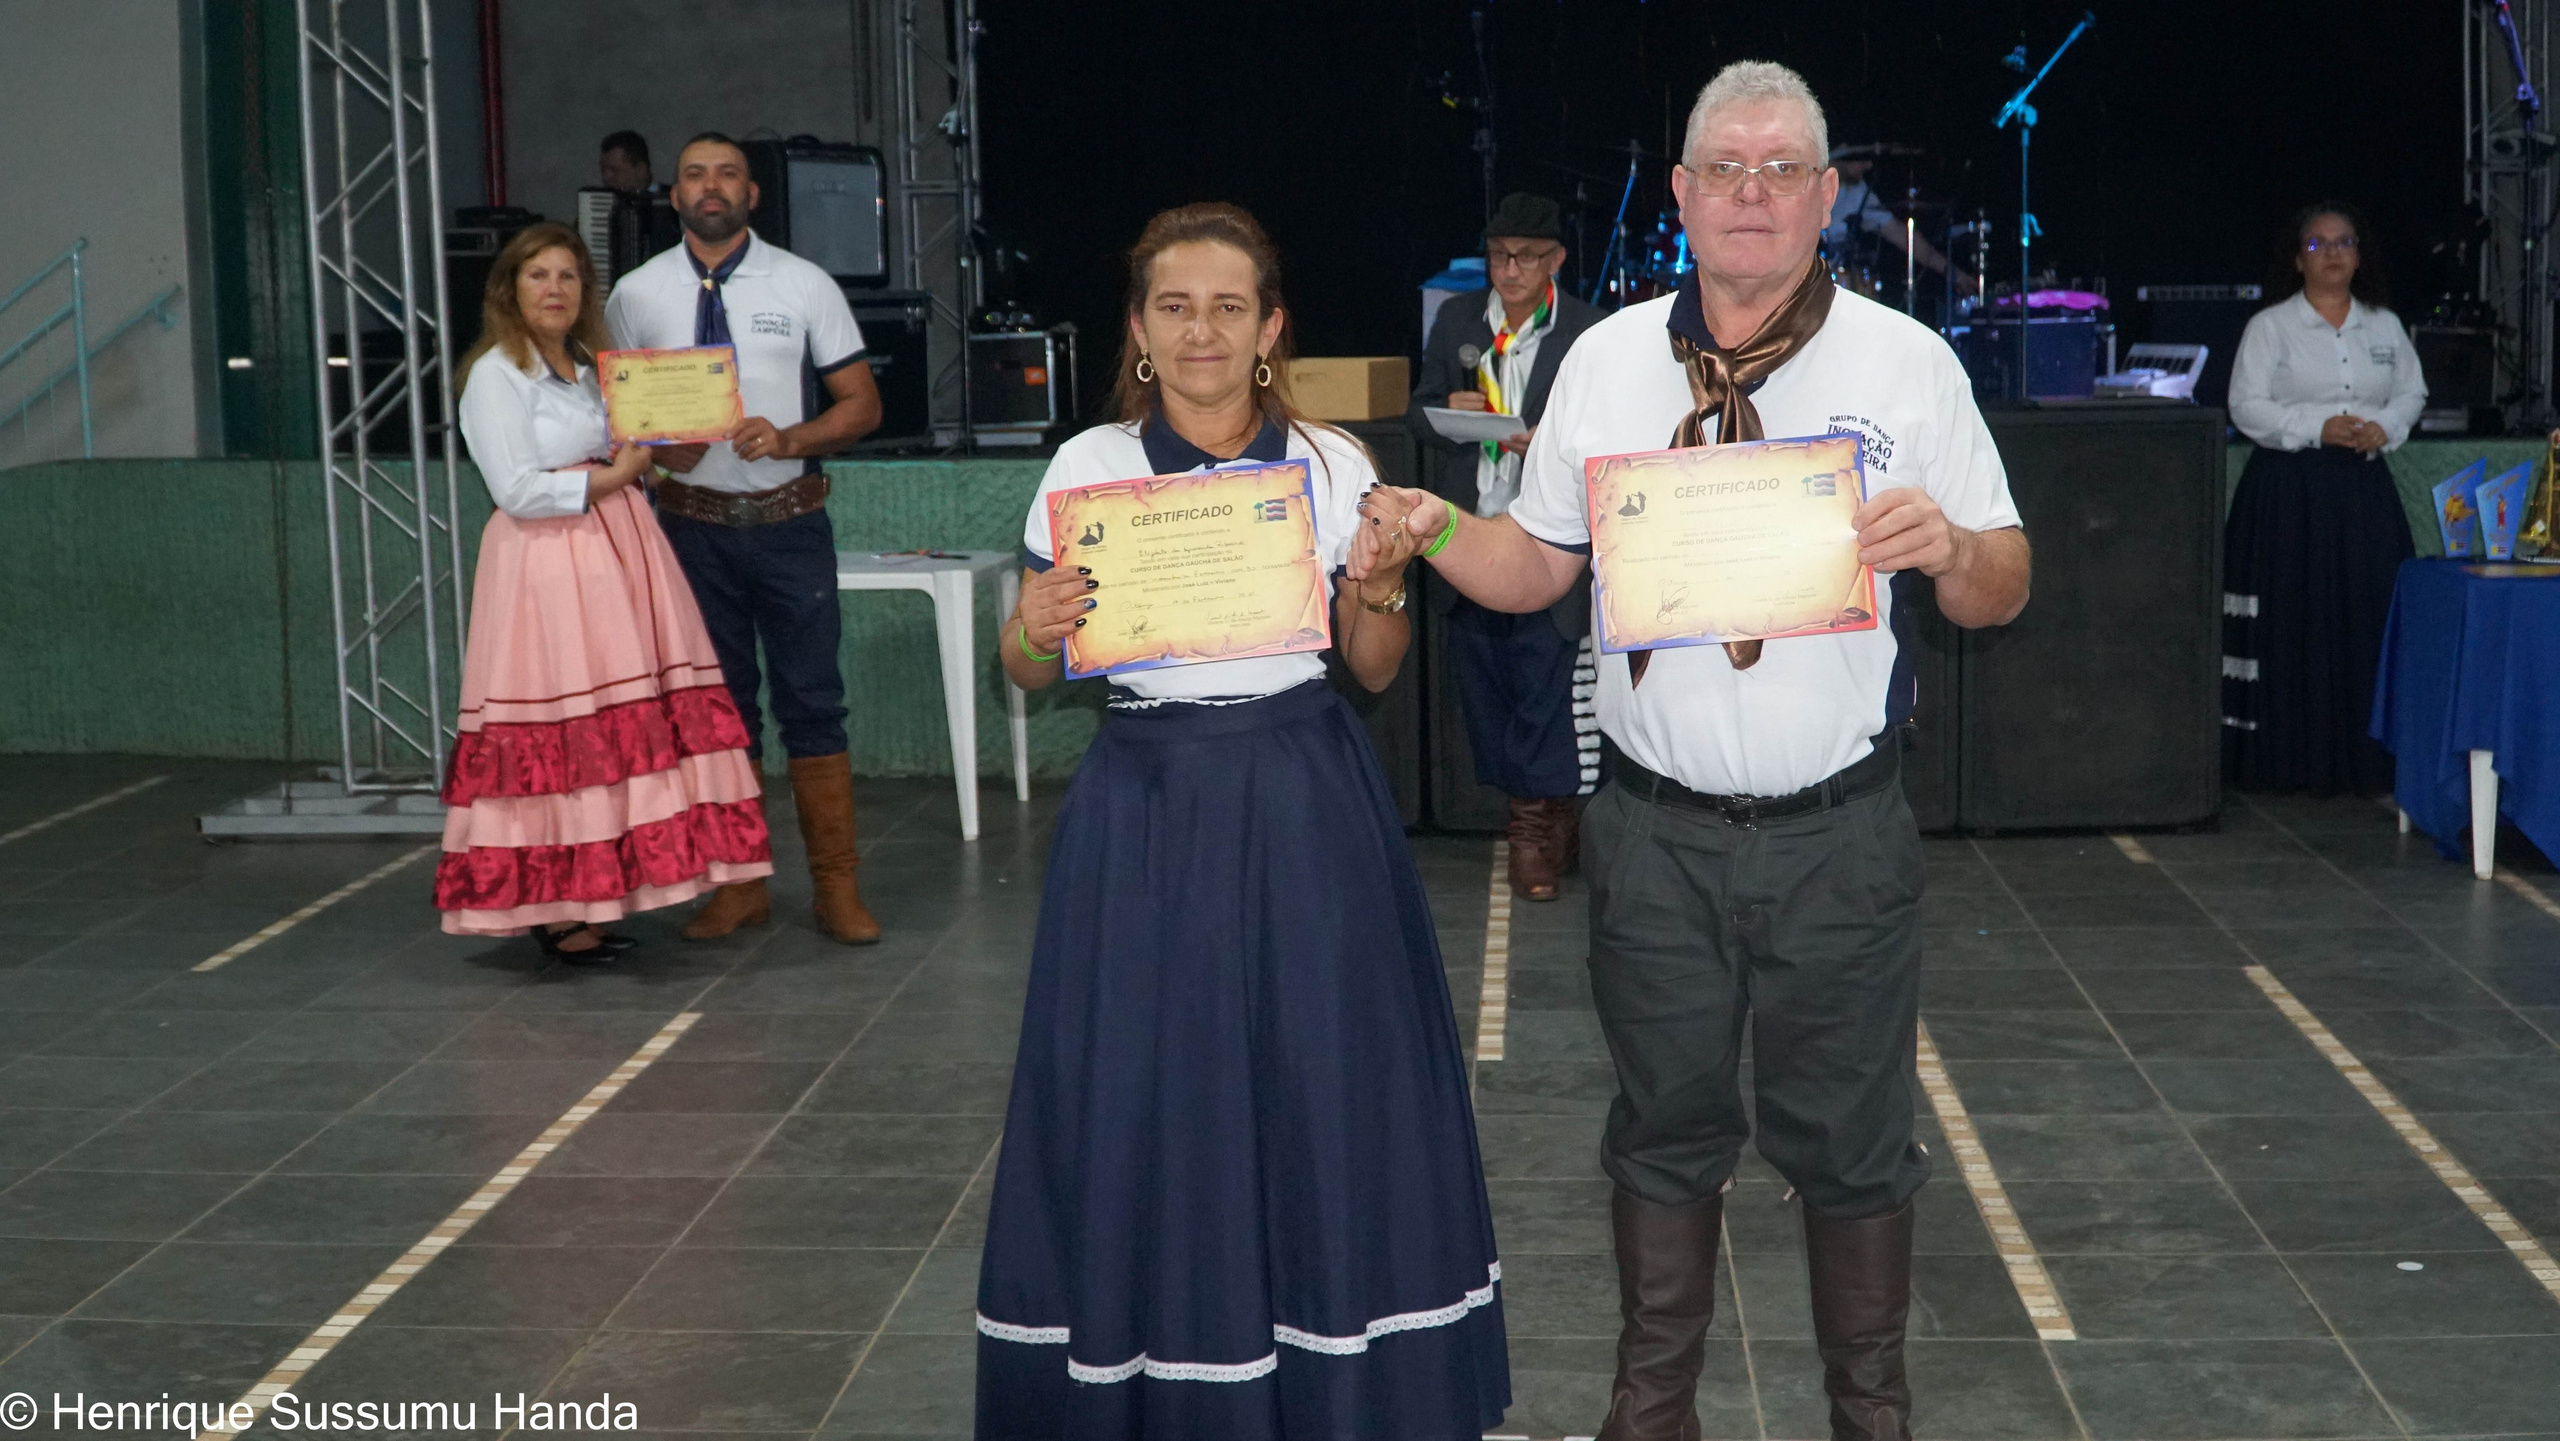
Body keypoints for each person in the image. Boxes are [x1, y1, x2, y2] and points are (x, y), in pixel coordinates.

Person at [1354, 62, 2030, 1441]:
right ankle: (1649, 1413)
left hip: (1840, 833)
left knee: (1853, 1152)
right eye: (1725, 167)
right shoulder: (1602, 363)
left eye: (1785, 170)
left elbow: (2004, 581)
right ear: (1678, 192)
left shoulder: (1908, 362)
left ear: (1828, 197)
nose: (1753, 194)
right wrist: (1428, 527)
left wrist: (1953, 549)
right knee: (1661, 1136)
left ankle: (1871, 1416)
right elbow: (1537, 566)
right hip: (1654, 835)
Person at [975, 203, 1509, 1439]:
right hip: (1143, 809)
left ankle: (1339, 1378)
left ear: (1269, 328)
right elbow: (1026, 664)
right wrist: (1036, 627)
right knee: (1144, 1093)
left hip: (1299, 795)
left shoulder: (1332, 466)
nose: (1201, 330)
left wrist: (1377, 585)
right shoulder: (1087, 467)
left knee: (1319, 1083)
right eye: (1174, 307)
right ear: (1140, 330)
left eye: (1228, 307)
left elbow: (1371, 668)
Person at [436, 223, 774, 955]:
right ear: (509, 289)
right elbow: (518, 488)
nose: (554, 289)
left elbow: (621, 443)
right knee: (566, 726)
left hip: (616, 550)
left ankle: (595, 890)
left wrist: (654, 453)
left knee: (620, 722)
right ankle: (553, 902)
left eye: (567, 276)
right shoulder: (496, 374)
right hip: (548, 560)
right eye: (538, 276)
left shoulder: (593, 367)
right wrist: (616, 477)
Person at [605, 132, 887, 944]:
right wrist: (659, 448)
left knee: (813, 704)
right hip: (691, 533)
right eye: (695, 174)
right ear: (674, 195)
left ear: (752, 194)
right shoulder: (633, 294)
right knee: (718, 714)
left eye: (727, 173)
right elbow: (617, 416)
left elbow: (862, 405)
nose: (711, 186)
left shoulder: (803, 284)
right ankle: (740, 886)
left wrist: (793, 438)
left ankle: (837, 888)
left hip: (791, 524)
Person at [1407, 192, 1605, 901]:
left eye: (1524, 256)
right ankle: (1548, 816)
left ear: (1555, 261)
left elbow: (1611, 428)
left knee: (1547, 681)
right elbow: (1417, 410)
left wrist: (1547, 439)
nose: (1509, 269)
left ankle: (1534, 835)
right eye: (1497, 255)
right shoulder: (1459, 318)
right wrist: (1447, 411)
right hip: (1473, 530)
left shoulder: (1587, 329)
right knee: (1487, 681)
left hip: (1549, 536)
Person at [2223, 203, 2425, 795]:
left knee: (2365, 614)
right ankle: (2286, 763)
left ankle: (2365, 762)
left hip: (2363, 494)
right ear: (2297, 258)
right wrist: (2320, 427)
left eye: (2345, 243)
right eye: (2318, 245)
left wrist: (2382, 426)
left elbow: (2413, 393)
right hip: (2289, 496)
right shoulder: (2271, 326)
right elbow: (2246, 405)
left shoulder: (2384, 325)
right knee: (2293, 621)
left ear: (2360, 255)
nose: (2333, 254)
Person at [1823, 145, 1972, 300]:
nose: (1868, 166)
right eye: (1860, 158)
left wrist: (1955, 274)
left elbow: (1903, 236)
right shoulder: (1807, 180)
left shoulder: (1858, 192)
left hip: (1829, 282)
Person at [599, 130, 660, 197]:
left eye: (615, 170)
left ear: (641, 170)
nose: (606, 176)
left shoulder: (669, 199)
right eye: (603, 170)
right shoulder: (601, 199)